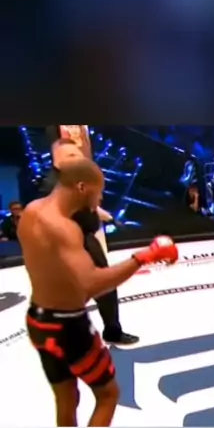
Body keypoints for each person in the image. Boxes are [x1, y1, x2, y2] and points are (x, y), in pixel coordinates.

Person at [18, 159, 178, 428]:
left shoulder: (32, 211)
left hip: (39, 320)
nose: (101, 198)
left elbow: (53, 267)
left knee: (67, 399)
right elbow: (90, 284)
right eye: (99, 191)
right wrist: (143, 257)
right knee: (108, 395)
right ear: (82, 187)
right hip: (69, 326)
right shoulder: (64, 228)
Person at [44, 138, 139, 344]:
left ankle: (112, 330)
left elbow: (89, 206)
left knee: (106, 283)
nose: (77, 159)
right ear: (57, 158)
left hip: (87, 240)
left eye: (77, 154)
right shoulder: (53, 184)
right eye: (71, 155)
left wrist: (108, 217)